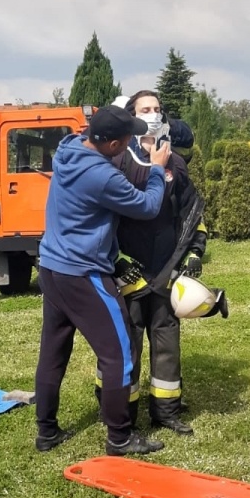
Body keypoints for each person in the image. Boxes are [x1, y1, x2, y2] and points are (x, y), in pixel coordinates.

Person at [33, 105, 170, 456]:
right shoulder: (102, 177)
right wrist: (156, 170)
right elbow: (147, 206)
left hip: (51, 267)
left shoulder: (69, 147)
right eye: (126, 142)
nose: (128, 147)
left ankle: (46, 431)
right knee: (119, 353)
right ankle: (119, 437)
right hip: (83, 273)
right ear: (111, 145)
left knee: (53, 351)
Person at [109, 90, 208, 435]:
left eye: (156, 109)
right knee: (127, 346)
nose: (151, 114)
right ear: (131, 116)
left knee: (167, 345)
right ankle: (122, 414)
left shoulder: (176, 164)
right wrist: (115, 261)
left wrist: (195, 252)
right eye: (143, 109)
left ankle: (166, 412)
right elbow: (102, 219)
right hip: (128, 275)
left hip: (166, 273)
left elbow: (192, 214)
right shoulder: (118, 162)